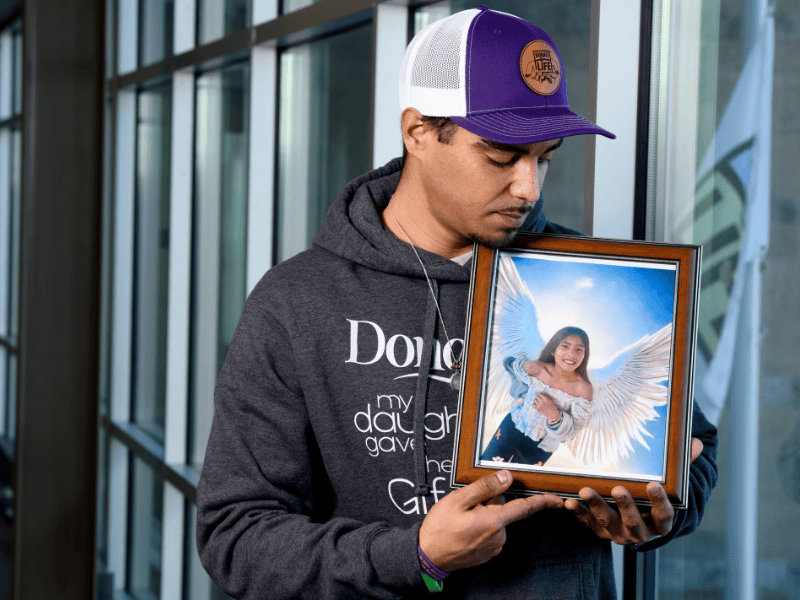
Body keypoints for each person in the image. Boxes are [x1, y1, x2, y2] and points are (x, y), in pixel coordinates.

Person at [196, 6, 718, 599]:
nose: (528, 187)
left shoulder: (580, 275)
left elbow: (692, 452)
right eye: (501, 156)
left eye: (544, 158)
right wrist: (412, 554)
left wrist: (660, 512)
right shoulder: (297, 301)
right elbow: (234, 538)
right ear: (419, 131)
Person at [481, 327, 593, 466]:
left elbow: (572, 431)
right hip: (512, 427)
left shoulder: (583, 389)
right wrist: (522, 385)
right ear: (553, 350)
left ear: (585, 356)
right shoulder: (538, 369)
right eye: (565, 346)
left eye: (579, 350)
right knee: (488, 464)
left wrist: (554, 415)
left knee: (520, 482)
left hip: (540, 447)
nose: (571, 354)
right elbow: (511, 365)